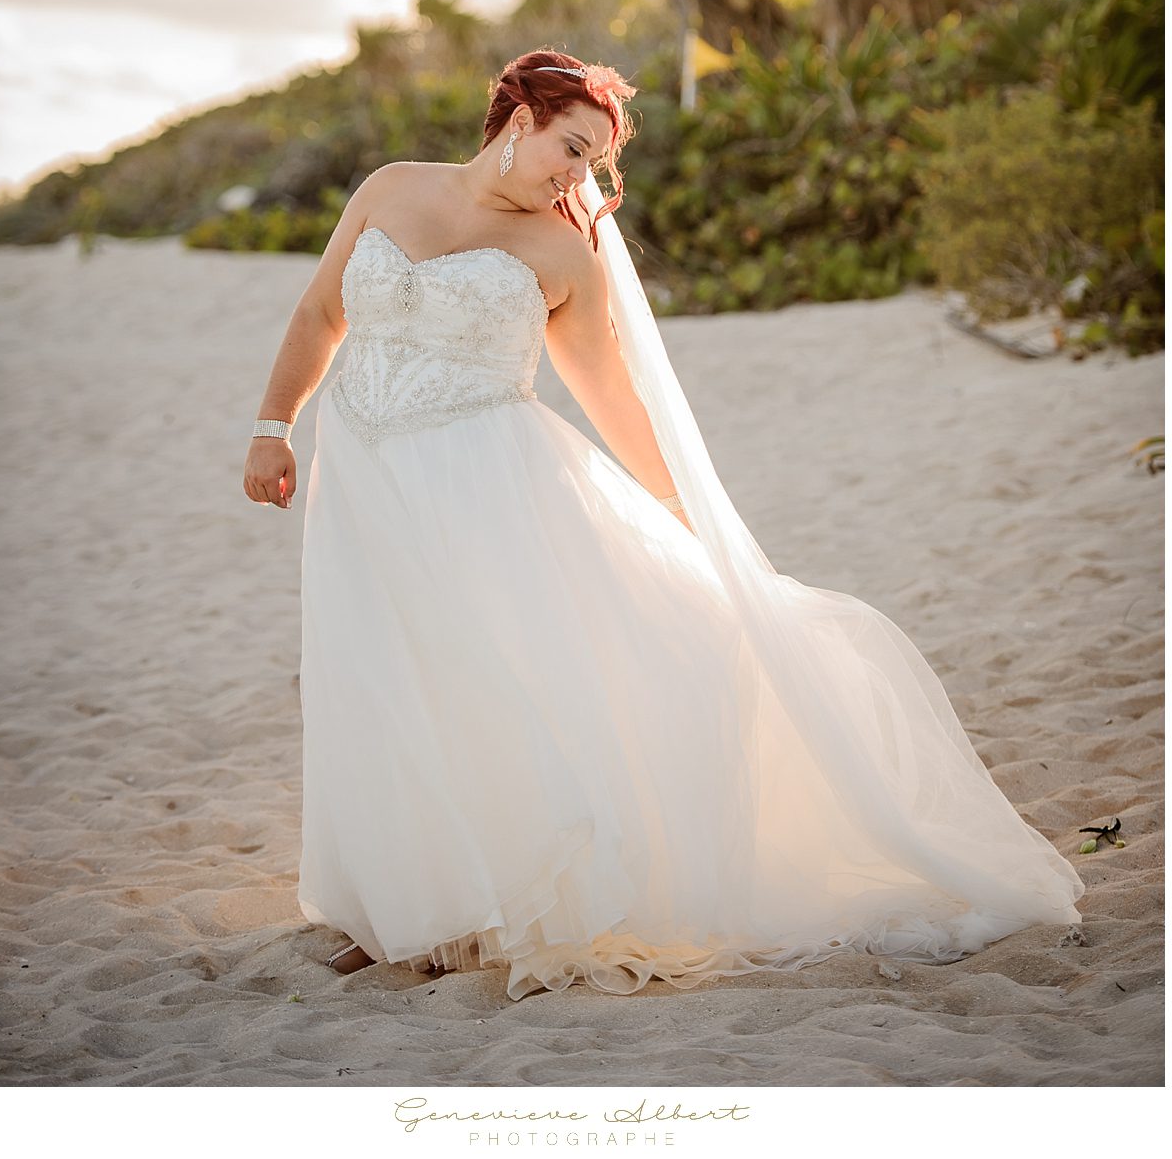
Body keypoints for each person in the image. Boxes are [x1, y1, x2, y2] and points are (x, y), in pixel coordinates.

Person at [243, 48, 1084, 1001]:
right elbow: (321, 312)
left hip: (487, 487)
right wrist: (274, 426)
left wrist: (688, 514)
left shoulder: (565, 251)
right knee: (378, 674)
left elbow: (609, 392)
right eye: (571, 147)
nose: (579, 176)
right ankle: (400, 911)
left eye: (594, 160)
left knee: (485, 683)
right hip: (362, 474)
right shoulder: (391, 189)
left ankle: (493, 913)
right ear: (517, 118)